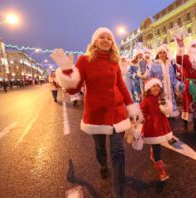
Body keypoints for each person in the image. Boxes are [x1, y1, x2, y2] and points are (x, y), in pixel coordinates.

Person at [51, 27, 142, 197]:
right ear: (94, 41)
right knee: (100, 148)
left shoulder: (114, 61)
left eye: (109, 38)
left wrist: (132, 107)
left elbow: (121, 86)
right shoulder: (84, 60)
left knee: (118, 152)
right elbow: (73, 89)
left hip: (117, 112)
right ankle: (102, 165)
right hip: (96, 114)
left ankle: (118, 193)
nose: (106, 40)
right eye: (102, 37)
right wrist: (66, 71)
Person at [140, 78, 173, 181]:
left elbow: (166, 110)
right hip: (152, 126)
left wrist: (167, 106)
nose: (156, 88)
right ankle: (160, 170)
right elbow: (142, 112)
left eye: (158, 86)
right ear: (149, 89)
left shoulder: (161, 98)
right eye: (154, 86)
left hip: (161, 123)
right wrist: (141, 120)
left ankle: (153, 154)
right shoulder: (146, 100)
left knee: (157, 144)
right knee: (156, 145)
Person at [175, 38, 196, 135]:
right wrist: (180, 46)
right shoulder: (185, 57)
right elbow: (178, 59)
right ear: (190, 48)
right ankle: (185, 123)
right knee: (188, 105)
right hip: (189, 85)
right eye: (193, 46)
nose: (195, 48)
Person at [149, 44, 184, 118]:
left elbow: (173, 79)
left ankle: (170, 114)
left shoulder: (170, 65)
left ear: (166, 54)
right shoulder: (154, 65)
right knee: (161, 111)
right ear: (158, 54)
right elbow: (150, 79)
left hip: (169, 91)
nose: (162, 54)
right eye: (160, 53)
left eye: (164, 52)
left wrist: (179, 84)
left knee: (169, 109)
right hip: (159, 91)